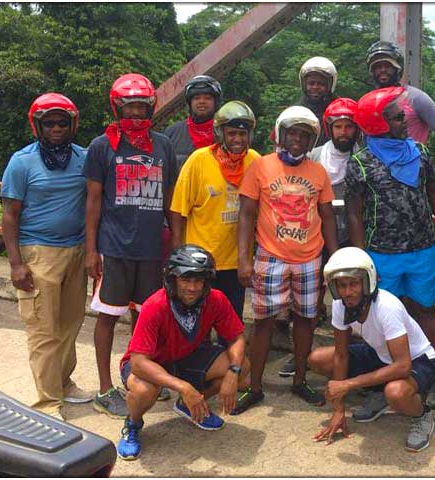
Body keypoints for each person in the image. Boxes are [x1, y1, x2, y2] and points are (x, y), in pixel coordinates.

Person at [346, 87, 435, 410]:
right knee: (378, 318)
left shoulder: (419, 152)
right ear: (379, 123)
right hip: (382, 252)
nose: (405, 119)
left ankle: (431, 378)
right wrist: (360, 255)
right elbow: (354, 212)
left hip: (422, 248)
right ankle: (382, 382)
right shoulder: (361, 163)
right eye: (397, 116)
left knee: (425, 310)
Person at [233, 106, 339, 414]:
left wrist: (333, 259)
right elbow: (247, 214)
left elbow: (328, 216)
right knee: (263, 322)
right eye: (293, 133)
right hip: (270, 255)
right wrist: (244, 258)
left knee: (305, 320)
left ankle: (300, 381)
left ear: (311, 140)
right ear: (281, 135)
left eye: (305, 135)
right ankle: (254, 387)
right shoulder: (260, 167)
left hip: (309, 258)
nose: (297, 140)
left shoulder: (318, 172)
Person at [85, 73, 178, 419]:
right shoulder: (101, 146)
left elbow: (170, 201)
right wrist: (91, 249)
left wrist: (176, 248)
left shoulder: (163, 146)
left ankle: (146, 377)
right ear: (118, 108)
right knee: (108, 317)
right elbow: (93, 201)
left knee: (147, 319)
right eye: (130, 108)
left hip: (152, 249)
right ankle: (105, 387)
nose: (137, 115)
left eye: (142, 108)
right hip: (114, 248)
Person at [1, 93, 91, 420]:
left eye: (62, 122)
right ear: (37, 125)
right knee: (43, 330)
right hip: (39, 252)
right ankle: (47, 402)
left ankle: (64, 383)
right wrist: (15, 264)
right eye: (49, 122)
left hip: (77, 251)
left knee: (70, 323)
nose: (56, 128)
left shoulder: (84, 158)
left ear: (72, 125)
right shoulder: (22, 162)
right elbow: (10, 215)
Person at [115, 245, 250, 461]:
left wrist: (233, 373)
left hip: (185, 356)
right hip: (149, 363)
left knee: (243, 366)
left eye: (199, 281)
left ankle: (190, 404)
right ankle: (132, 423)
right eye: (186, 280)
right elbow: (139, 362)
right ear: (172, 279)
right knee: (143, 389)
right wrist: (183, 387)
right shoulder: (155, 305)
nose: (193, 287)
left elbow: (236, 337)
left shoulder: (215, 299)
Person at [308, 247, 435, 452]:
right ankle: (379, 393)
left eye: (353, 284)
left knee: (395, 392)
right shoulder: (340, 304)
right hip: (381, 353)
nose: (347, 292)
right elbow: (341, 354)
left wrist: (348, 384)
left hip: (419, 359)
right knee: (318, 358)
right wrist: (338, 408)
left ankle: (422, 415)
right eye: (342, 285)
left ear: (367, 282)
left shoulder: (386, 306)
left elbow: (403, 366)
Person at [277, 97, 360, 378]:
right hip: (313, 234)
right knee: (309, 301)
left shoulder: (363, 158)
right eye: (338, 126)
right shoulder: (315, 157)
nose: (344, 132)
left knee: (353, 295)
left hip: (351, 234)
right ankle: (299, 355)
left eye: (349, 126)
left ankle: (354, 356)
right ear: (329, 128)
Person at [170, 100, 260, 323]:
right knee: (195, 322)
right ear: (220, 134)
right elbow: (178, 211)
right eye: (231, 134)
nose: (238, 140)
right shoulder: (199, 161)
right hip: (200, 262)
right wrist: (178, 257)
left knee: (230, 323)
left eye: (243, 133)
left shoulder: (255, 162)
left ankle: (229, 359)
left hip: (236, 263)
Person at [365, 41, 435, 175]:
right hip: (377, 177)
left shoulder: (414, 97)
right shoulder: (369, 101)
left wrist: (433, 173)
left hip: (412, 174)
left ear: (398, 68)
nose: (383, 70)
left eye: (388, 65)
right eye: (377, 66)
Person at [163, 75, 223, 171]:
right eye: (196, 98)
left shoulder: (227, 133)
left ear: (216, 102)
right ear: (189, 103)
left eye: (207, 98)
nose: (202, 101)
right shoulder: (172, 132)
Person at [298, 56, 338, 147]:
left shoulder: (340, 109)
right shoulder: (296, 111)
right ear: (304, 84)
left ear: (330, 85)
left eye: (321, 84)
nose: (315, 87)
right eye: (311, 83)